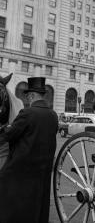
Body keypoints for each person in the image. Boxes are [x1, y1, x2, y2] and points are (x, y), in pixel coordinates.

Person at [0, 77, 58, 223]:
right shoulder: (53, 115)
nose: (27, 100)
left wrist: (5, 129)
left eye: (27, 97)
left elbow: (10, 135)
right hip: (43, 168)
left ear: (31, 96)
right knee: (39, 199)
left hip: (22, 166)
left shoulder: (27, 113)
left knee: (3, 181)